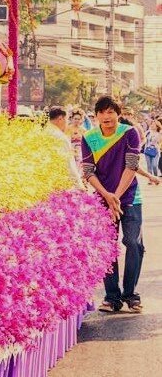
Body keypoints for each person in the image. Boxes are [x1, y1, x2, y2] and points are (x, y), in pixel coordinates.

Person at [81, 96, 143, 314]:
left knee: (133, 243)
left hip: (130, 198)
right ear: (96, 115)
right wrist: (107, 196)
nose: (107, 117)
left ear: (118, 113)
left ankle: (131, 295)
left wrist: (115, 197)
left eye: (111, 112)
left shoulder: (129, 133)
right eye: (103, 112)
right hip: (102, 199)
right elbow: (88, 171)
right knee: (107, 248)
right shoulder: (88, 137)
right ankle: (112, 297)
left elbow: (132, 165)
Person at [46, 107, 84, 188]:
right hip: (57, 178)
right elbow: (69, 163)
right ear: (60, 119)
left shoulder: (44, 132)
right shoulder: (60, 136)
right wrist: (79, 184)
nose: (67, 122)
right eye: (66, 119)